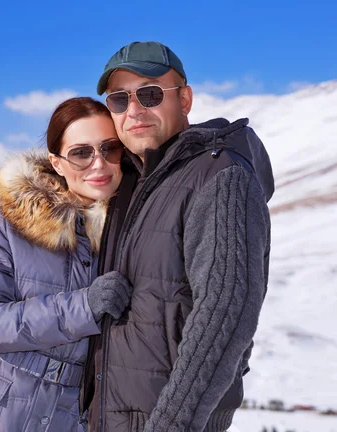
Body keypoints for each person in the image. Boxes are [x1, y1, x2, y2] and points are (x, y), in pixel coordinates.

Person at [80, 41, 275, 432]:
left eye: (150, 94)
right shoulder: (134, 183)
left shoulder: (219, 177)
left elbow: (224, 315)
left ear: (184, 99)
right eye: (119, 100)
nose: (133, 110)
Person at [0, 97, 133, 432]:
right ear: (57, 162)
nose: (98, 164)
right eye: (81, 153)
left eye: (109, 149)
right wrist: (84, 306)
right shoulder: (11, 220)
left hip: (73, 415)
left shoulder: (136, 227)